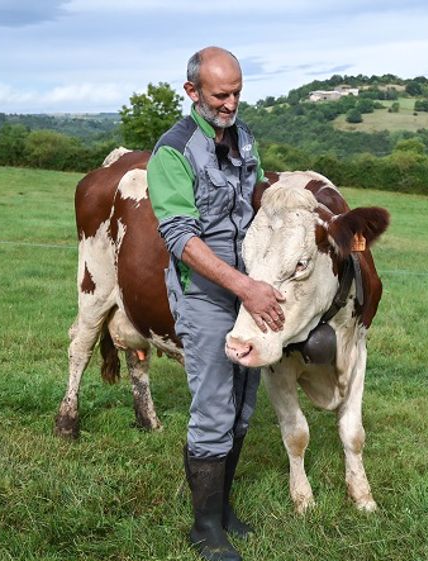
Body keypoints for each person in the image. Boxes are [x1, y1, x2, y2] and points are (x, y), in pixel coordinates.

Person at [146, 46, 284, 561]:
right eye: (221, 94)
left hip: (249, 288)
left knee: (244, 404)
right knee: (212, 407)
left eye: (237, 92)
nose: (231, 104)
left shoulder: (245, 138)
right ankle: (204, 530)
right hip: (206, 293)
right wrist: (243, 286)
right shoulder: (173, 151)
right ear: (192, 92)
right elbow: (181, 236)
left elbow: (257, 201)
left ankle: (223, 510)